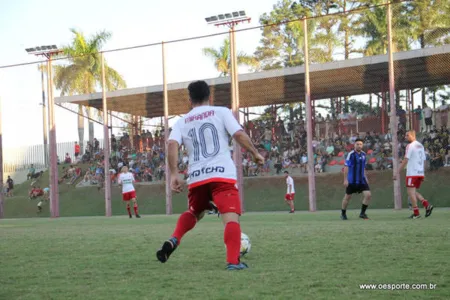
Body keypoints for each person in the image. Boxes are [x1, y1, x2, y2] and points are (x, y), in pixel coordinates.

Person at [156, 80, 264, 270]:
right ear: (210, 96)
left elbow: (172, 145)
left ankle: (174, 239)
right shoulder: (221, 112)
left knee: (195, 212)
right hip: (222, 176)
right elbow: (238, 134)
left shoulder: (182, 121)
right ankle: (233, 262)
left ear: (190, 100)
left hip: (197, 177)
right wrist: (255, 153)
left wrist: (174, 174)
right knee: (231, 218)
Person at [394, 130, 433, 219]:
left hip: (412, 172)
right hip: (419, 172)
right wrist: (423, 173)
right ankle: (426, 205)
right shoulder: (421, 145)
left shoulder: (410, 146)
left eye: (407, 135)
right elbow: (423, 160)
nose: (405, 137)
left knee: (410, 192)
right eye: (405, 135)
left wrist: (397, 172)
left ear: (412, 135)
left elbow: (406, 160)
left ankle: (416, 213)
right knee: (413, 192)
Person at [341, 139, 371, 220]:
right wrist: (345, 179)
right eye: (357, 144)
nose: (359, 145)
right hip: (352, 180)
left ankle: (362, 213)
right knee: (347, 197)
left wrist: (366, 177)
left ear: (363, 145)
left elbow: (363, 167)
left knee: (368, 195)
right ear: (354, 145)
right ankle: (343, 213)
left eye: (361, 144)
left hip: (362, 180)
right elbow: (346, 167)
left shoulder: (364, 154)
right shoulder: (351, 154)